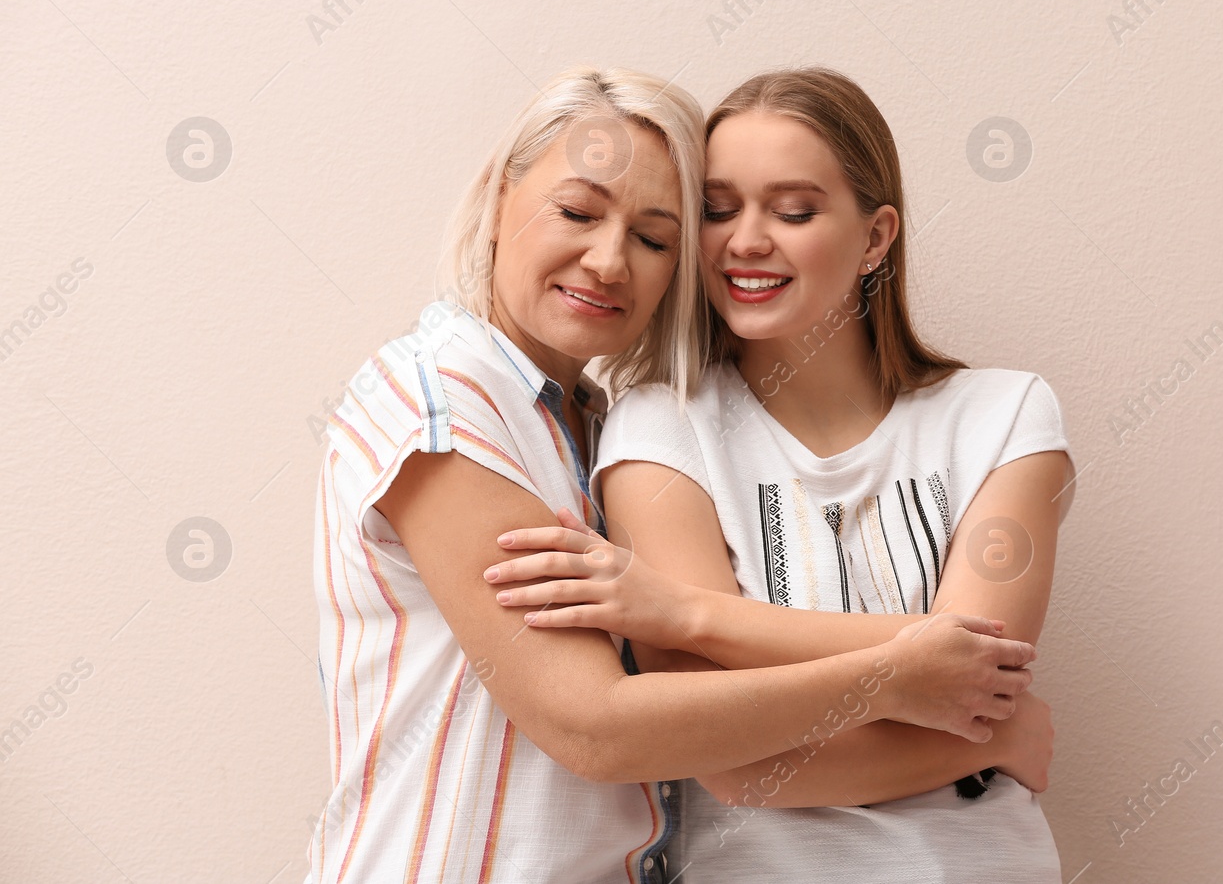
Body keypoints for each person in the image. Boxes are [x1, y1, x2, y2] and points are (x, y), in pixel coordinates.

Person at [305, 66, 1041, 884]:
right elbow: (601, 727)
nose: (609, 259)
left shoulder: (575, 414)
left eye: (656, 237)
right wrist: (903, 679)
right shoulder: (443, 400)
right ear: (497, 199)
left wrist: (686, 612)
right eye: (577, 211)